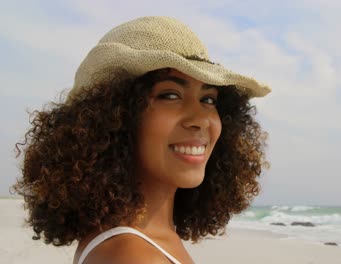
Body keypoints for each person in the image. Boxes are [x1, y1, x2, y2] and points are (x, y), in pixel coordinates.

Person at [12, 16, 270, 264]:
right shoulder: (131, 255)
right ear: (115, 116)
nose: (200, 119)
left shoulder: (138, 240)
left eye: (208, 99)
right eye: (170, 95)